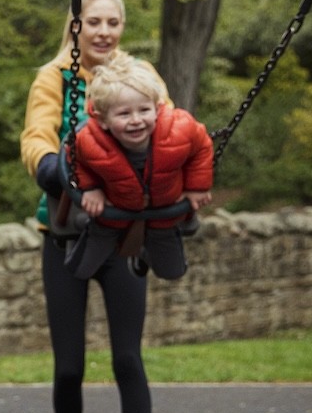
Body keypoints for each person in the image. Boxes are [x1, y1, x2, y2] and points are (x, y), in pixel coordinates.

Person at [19, 0, 172, 413]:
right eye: (93, 22)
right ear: (75, 25)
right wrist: (57, 172)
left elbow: (169, 126)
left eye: (113, 23)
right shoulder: (54, 78)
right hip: (65, 234)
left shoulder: (141, 77)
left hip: (125, 236)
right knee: (69, 365)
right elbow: (35, 138)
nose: (104, 32)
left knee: (129, 361)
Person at [67, 54, 213, 281]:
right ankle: (87, 228)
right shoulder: (88, 141)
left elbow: (202, 147)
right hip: (113, 210)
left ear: (157, 109)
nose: (136, 120)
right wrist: (90, 188)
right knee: (80, 270)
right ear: (103, 120)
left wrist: (197, 186)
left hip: (163, 212)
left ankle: (143, 253)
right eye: (124, 114)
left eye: (144, 110)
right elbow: (73, 160)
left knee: (172, 272)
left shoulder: (181, 129)